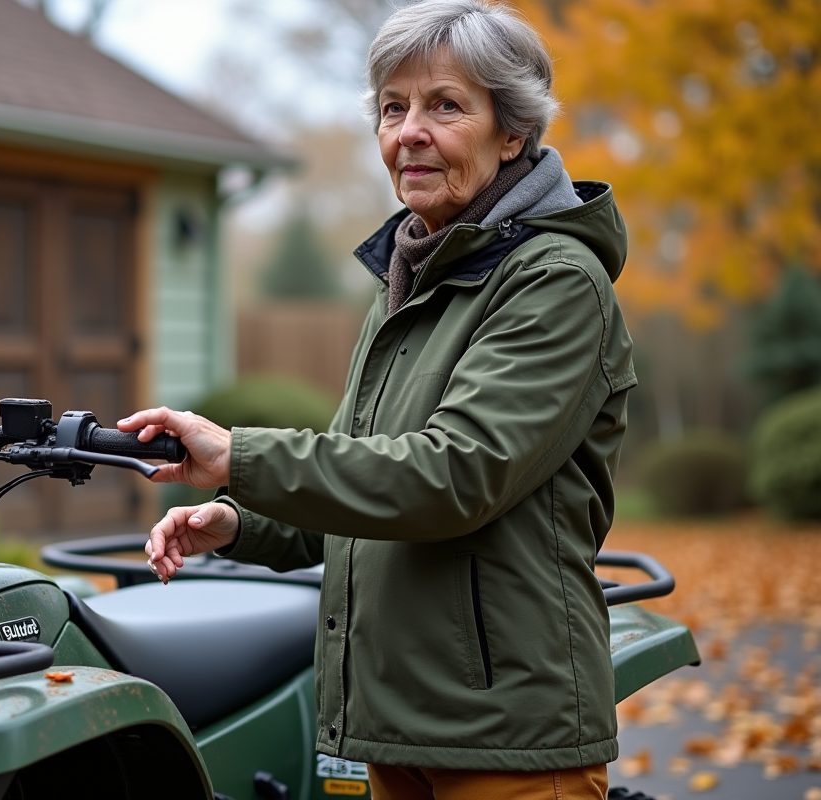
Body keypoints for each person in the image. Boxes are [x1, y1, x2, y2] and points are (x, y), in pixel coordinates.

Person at [118, 1, 633, 797]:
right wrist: (241, 520)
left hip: (506, 739)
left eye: (445, 106)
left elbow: (452, 477)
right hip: (401, 725)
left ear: (512, 133)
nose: (409, 132)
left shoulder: (555, 283)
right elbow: (368, 480)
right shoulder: (410, 282)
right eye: (394, 108)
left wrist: (240, 455)